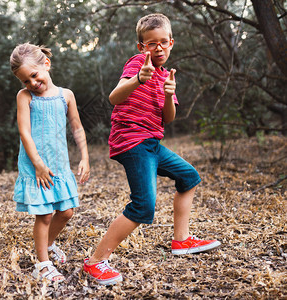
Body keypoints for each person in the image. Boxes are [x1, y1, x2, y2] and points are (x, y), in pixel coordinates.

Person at [83, 13, 221, 285]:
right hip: (132, 142)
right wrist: (138, 79)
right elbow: (114, 97)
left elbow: (167, 118)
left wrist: (169, 93)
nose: (158, 48)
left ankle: (181, 241)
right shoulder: (138, 64)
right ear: (141, 47)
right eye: (151, 43)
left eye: (163, 42)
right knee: (144, 205)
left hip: (152, 143)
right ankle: (95, 261)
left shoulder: (165, 76)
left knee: (189, 177)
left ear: (171, 43)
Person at [10, 43, 90, 283]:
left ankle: (49, 244)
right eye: (25, 81)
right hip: (35, 164)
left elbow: (76, 127)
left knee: (66, 212)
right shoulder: (24, 97)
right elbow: (24, 132)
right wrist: (38, 164)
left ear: (46, 64)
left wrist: (85, 157)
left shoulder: (66, 95)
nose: (32, 83)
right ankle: (43, 265)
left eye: (33, 76)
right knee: (44, 215)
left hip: (58, 163)